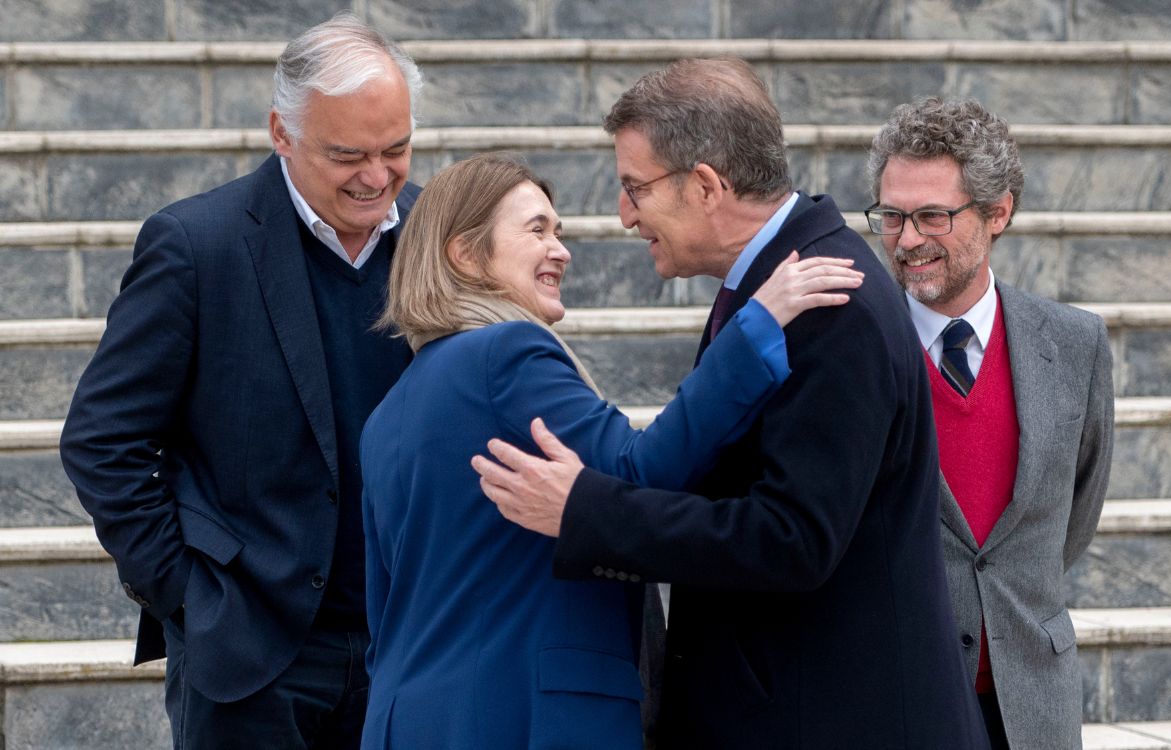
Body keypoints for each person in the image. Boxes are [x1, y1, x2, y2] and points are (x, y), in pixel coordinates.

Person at [472, 58, 991, 749]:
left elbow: (792, 541)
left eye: (635, 188)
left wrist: (585, 509)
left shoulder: (829, 305)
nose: (625, 215)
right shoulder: (777, 285)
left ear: (707, 186)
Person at [358, 152, 861, 749]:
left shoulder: (387, 414)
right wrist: (757, 325)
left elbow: (382, 607)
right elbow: (638, 470)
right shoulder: (504, 354)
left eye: (560, 231)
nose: (561, 250)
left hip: (406, 721)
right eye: (537, 230)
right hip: (526, 719)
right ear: (465, 255)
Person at [58, 13, 423, 748]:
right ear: (281, 134)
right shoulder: (196, 245)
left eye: (397, 148)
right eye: (348, 154)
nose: (377, 177)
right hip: (252, 656)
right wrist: (189, 598)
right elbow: (103, 441)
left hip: (411, 643)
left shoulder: (438, 234)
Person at [864, 96, 1114, 749]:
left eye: (932, 216)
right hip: (896, 700)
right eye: (891, 216)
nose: (907, 239)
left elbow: (1072, 519)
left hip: (1034, 704)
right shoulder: (852, 347)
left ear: (998, 211)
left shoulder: (1076, 344)